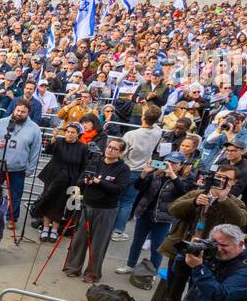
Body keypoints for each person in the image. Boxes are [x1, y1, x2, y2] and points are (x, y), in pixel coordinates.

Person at [152, 164, 247, 301]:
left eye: (225, 178)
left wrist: (224, 200)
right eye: (218, 176)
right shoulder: (198, 193)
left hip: (209, 257)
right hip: (183, 249)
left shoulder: (235, 202)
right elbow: (173, 209)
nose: (220, 180)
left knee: (193, 295)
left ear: (233, 182)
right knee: (172, 291)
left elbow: (241, 220)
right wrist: (194, 202)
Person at [63, 138, 130, 283]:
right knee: (79, 239)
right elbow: (79, 180)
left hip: (106, 210)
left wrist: (100, 182)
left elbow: (118, 189)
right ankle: (73, 267)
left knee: (98, 244)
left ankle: (92, 273)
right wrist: (85, 181)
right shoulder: (95, 162)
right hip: (87, 206)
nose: (110, 150)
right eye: (109, 146)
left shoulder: (123, 169)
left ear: (121, 152)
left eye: (114, 148)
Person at [116, 151, 193, 275]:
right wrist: (145, 173)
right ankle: (130, 265)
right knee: (137, 242)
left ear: (180, 166)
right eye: (168, 162)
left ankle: (152, 273)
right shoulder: (155, 175)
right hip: (145, 212)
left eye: (174, 163)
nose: (170, 165)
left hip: (163, 218)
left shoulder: (182, 180)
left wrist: (172, 175)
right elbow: (138, 187)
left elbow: (182, 193)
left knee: (157, 247)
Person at [0, 98, 42, 224]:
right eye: (18, 110)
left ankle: (12, 218)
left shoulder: (35, 129)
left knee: (15, 195)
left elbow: (35, 151)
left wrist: (31, 168)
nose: (19, 113)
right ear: (14, 109)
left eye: (23, 112)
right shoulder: (1, 122)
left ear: (28, 113)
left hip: (17, 169)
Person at [112, 106, 165, 240]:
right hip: (141, 171)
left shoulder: (131, 135)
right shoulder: (157, 131)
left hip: (126, 169)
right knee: (127, 202)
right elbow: (153, 122)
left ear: (143, 117)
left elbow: (121, 153)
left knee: (118, 200)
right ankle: (118, 231)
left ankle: (111, 227)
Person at [32, 122, 87, 242]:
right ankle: (45, 228)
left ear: (78, 134)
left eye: (73, 132)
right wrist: (53, 139)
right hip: (53, 177)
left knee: (60, 204)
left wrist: (79, 181)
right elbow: (48, 151)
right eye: (68, 132)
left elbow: (84, 167)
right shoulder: (58, 142)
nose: (70, 134)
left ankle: (55, 230)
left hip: (70, 179)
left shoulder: (83, 148)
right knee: (48, 200)